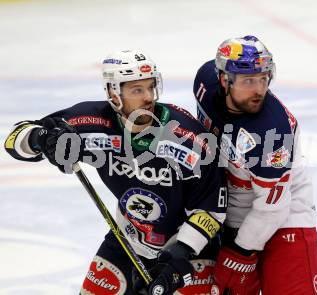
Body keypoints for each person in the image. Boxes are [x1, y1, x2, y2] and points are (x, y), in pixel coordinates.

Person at [4, 49, 227, 295]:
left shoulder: (188, 138)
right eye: (136, 90)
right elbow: (14, 139)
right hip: (127, 241)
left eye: (150, 87)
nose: (147, 98)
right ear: (114, 93)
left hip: (187, 249)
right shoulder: (92, 122)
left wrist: (179, 253)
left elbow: (212, 210)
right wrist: (40, 138)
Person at [193, 36, 317, 295]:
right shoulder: (205, 82)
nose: (259, 89)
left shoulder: (271, 134)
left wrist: (241, 250)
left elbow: (273, 209)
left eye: (264, 78)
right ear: (224, 80)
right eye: (249, 81)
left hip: (286, 218)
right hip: (229, 213)